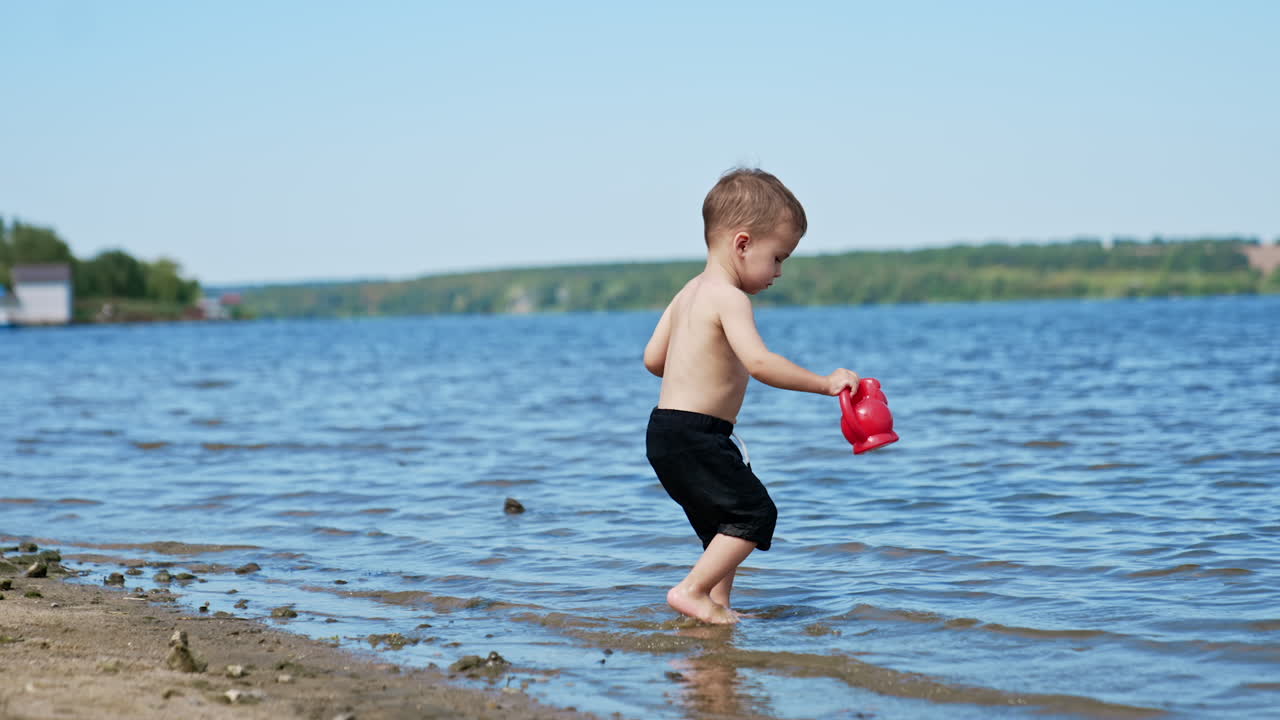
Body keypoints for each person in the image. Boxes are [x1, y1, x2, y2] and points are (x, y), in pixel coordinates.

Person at [643, 168, 860, 624]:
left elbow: (652, 359)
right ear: (742, 244)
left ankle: (715, 607)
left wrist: (695, 364)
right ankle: (692, 591)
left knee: (721, 527)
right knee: (755, 514)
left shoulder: (688, 292)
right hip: (698, 435)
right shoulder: (730, 298)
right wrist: (824, 383)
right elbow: (760, 363)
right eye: (778, 257)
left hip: (665, 430)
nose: (779, 271)